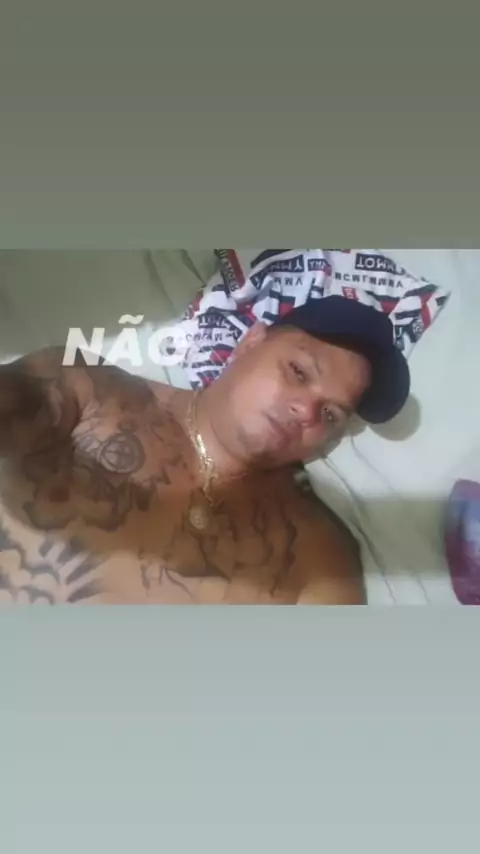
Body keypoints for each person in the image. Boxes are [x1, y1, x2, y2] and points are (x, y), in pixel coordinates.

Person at [0, 296, 409, 606]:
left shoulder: (315, 556)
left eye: (331, 413)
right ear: (250, 343)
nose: (306, 411)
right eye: (298, 372)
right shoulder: (87, 389)